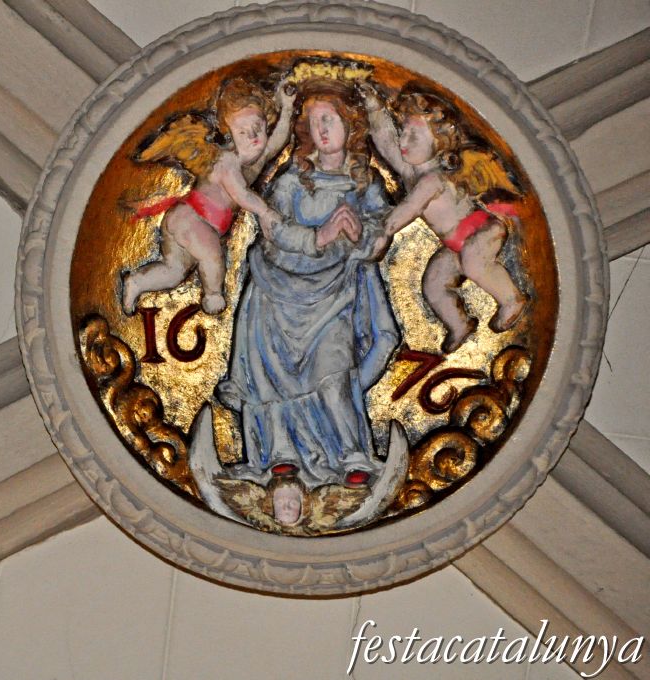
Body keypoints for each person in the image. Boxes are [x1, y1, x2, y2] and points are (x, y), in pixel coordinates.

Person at [216, 79, 400, 487]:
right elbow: (274, 231)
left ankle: (351, 454)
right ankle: (281, 454)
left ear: (351, 126)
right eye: (314, 121)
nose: (322, 129)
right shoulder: (290, 183)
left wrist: (359, 234)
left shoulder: (364, 185)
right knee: (273, 375)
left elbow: (380, 231)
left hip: (333, 297)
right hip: (278, 291)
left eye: (330, 119)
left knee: (333, 370)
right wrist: (318, 237)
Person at [363, 87, 528, 353]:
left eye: (413, 135)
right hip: (454, 244)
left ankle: (511, 299)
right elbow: (387, 144)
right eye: (404, 132)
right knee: (434, 284)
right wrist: (374, 109)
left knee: (474, 263)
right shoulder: (411, 171)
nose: (403, 140)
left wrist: (384, 231)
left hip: (481, 231)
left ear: (439, 143)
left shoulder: (433, 180)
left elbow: (410, 207)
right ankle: (459, 324)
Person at [122, 77, 295, 315]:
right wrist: (265, 212)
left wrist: (287, 108)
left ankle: (137, 282)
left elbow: (278, 140)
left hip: (194, 224)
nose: (253, 136)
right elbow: (242, 194)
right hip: (192, 219)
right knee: (213, 255)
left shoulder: (256, 160)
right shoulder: (226, 162)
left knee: (174, 272)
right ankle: (213, 296)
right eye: (243, 132)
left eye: (258, 127)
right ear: (229, 134)